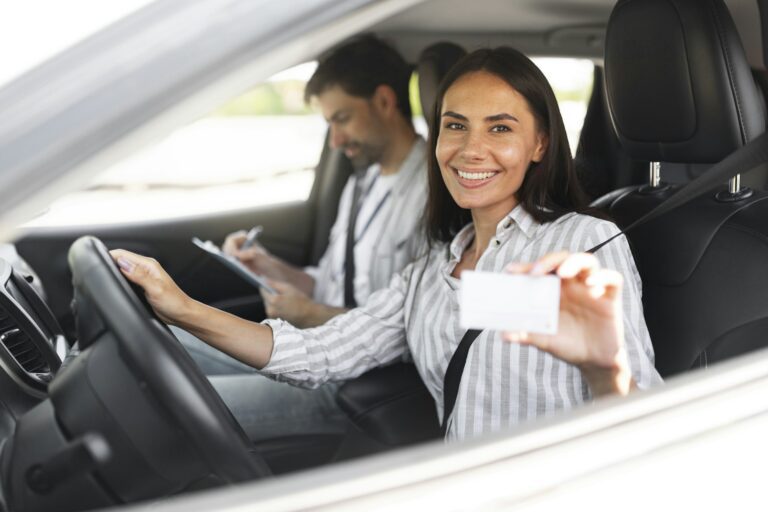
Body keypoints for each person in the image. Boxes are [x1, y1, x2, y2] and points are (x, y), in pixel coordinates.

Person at [111, 47, 662, 442]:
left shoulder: (584, 245)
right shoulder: (430, 271)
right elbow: (318, 353)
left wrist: (603, 370)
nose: (471, 150)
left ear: (540, 142)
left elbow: (644, 421)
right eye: (454, 125)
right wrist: (178, 308)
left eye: (499, 129)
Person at [173, 34, 428, 441]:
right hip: (308, 348)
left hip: (353, 381)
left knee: (173, 410)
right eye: (330, 124)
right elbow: (329, 280)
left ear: (384, 101)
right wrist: (267, 266)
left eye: (342, 119)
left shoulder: (432, 196)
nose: (336, 140)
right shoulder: (363, 182)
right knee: (166, 343)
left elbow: (411, 332)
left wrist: (309, 315)